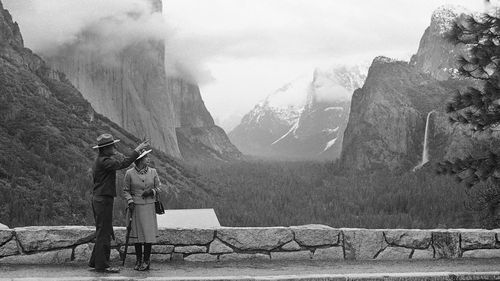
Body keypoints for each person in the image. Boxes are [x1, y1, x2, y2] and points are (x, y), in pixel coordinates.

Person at [89, 133, 149, 273]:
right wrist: (138, 149)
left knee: (102, 230)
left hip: (100, 198)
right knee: (104, 232)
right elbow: (124, 163)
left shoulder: (101, 159)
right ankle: (102, 266)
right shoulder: (105, 161)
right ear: (105, 148)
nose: (115, 147)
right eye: (112, 146)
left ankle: (95, 262)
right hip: (103, 199)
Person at [123, 148, 162, 271]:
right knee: (137, 235)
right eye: (146, 157)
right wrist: (130, 201)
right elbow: (125, 190)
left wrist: (152, 191)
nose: (148, 159)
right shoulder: (129, 173)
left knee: (148, 235)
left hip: (149, 206)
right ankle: (138, 260)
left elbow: (159, 188)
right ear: (140, 160)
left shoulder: (153, 172)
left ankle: (146, 260)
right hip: (135, 207)